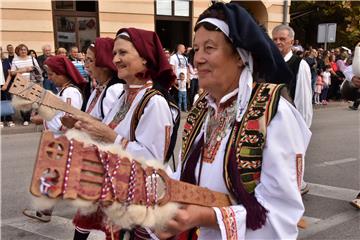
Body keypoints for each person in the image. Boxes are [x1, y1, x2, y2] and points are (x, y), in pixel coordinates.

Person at [153, 2, 312, 240]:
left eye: (209, 48)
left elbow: (281, 214)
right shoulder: (203, 108)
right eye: (196, 49)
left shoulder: (272, 111)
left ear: (239, 56)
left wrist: (206, 216)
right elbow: (189, 176)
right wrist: (153, 186)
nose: (198, 59)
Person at [71, 27, 180, 240]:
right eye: (114, 54)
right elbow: (108, 131)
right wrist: (87, 128)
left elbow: (153, 162)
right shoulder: (124, 94)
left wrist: (110, 138)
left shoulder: (154, 101)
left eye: (123, 53)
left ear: (146, 59)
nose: (116, 59)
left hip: (142, 204)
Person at [71, 37, 124, 240]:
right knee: (89, 217)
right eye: (86, 61)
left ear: (104, 61)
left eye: (91, 61)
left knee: (110, 222)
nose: (87, 66)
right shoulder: (98, 90)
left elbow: (112, 131)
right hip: (95, 165)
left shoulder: (114, 90)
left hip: (106, 167)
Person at [22, 55, 86, 222]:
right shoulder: (64, 91)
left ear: (62, 73)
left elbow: (68, 118)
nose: (49, 78)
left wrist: (42, 119)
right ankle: (45, 210)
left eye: (52, 74)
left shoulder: (70, 91)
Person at [272, 24, 313, 194]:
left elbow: (303, 99)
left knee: (291, 157)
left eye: (282, 39)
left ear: (291, 41)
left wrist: (302, 126)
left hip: (290, 121)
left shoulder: (299, 65)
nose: (278, 42)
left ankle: (296, 186)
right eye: (275, 39)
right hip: (270, 119)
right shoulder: (269, 62)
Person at [10, 43, 42, 126]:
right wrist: (24, 70)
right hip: (20, 82)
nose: (23, 51)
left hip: (32, 81)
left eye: (25, 49)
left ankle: (29, 117)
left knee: (30, 100)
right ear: (18, 51)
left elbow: (38, 69)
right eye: (21, 50)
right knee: (21, 101)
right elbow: (12, 72)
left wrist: (32, 69)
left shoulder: (32, 58)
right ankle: (25, 118)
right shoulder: (15, 60)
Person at [1, 46, 15, 127]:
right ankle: (1, 120)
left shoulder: (6, 60)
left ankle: (9, 119)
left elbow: (10, 73)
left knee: (8, 101)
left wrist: (6, 84)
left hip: (6, 84)